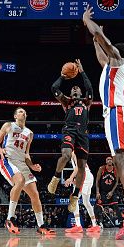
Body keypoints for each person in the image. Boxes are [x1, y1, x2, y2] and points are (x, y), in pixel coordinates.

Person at [82, 5, 124, 240]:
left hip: (116, 112)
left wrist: (88, 24)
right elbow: (101, 54)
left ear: (118, 55)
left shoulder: (119, 62)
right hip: (115, 113)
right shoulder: (110, 69)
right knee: (122, 154)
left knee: (121, 156)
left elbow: (105, 44)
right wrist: (94, 41)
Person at [0, 107, 55, 236]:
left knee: (35, 194)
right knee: (20, 181)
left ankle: (41, 226)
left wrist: (32, 166)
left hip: (22, 163)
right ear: (15, 115)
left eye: (24, 112)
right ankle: (10, 218)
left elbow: (26, 154)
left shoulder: (29, 133)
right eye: (20, 111)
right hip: (8, 160)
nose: (23, 113)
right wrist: (1, 151)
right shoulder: (8, 125)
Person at [47, 59, 93, 214]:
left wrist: (82, 72)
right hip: (69, 129)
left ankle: (75, 196)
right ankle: (55, 178)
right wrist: (62, 76)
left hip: (83, 134)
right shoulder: (66, 101)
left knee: (81, 167)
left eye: (77, 88)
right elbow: (54, 87)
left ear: (80, 92)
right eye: (72, 88)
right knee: (66, 155)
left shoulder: (87, 101)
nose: (74, 89)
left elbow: (90, 88)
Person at [64, 152, 101, 233]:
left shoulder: (74, 153)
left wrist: (70, 178)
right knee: (86, 202)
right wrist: (75, 181)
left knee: (74, 200)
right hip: (88, 176)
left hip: (84, 175)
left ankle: (78, 225)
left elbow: (78, 167)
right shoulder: (76, 153)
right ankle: (95, 225)